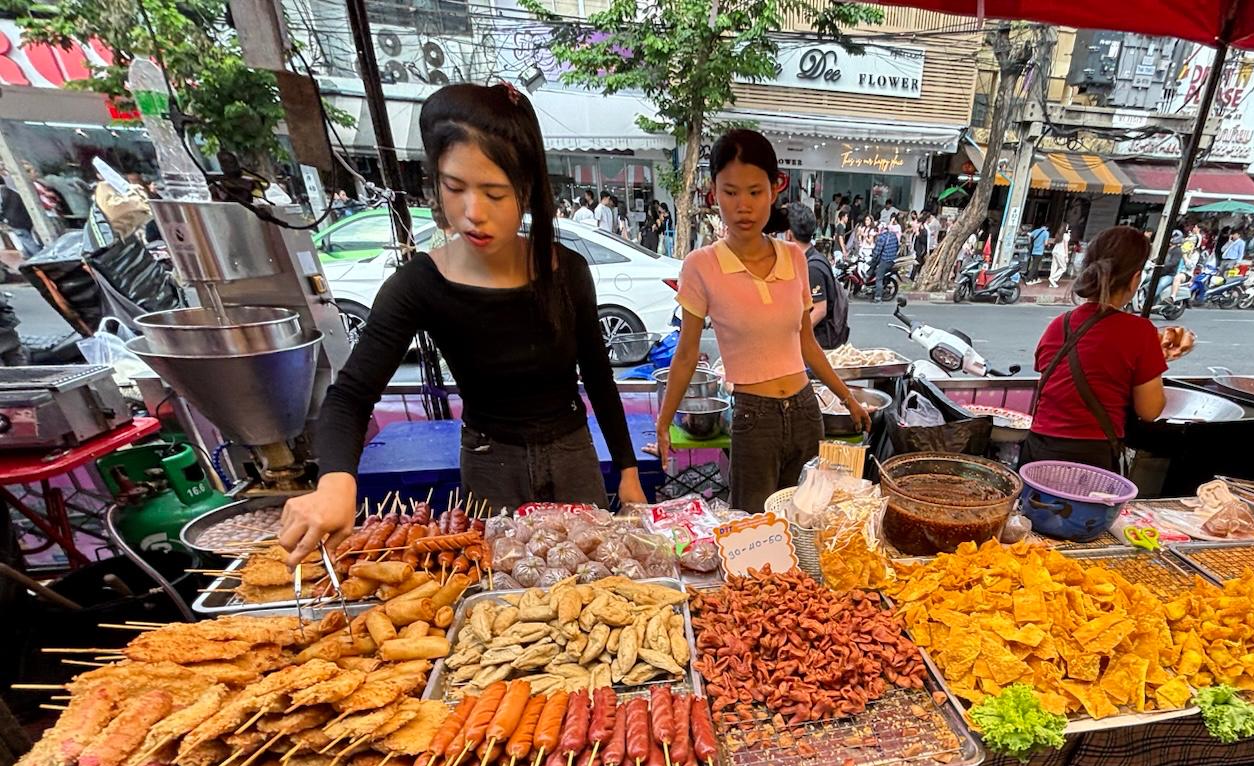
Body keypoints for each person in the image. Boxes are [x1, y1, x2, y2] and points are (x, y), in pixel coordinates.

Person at [279, 83, 644, 563]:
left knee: (595, 587)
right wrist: (335, 482)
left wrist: (628, 471)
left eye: (494, 193)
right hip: (491, 465)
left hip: (573, 457)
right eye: (455, 188)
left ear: (526, 190)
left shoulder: (568, 270)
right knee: (500, 592)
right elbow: (350, 395)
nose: (473, 213)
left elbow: (597, 375)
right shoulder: (418, 284)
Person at [657, 129, 867, 512]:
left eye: (755, 192)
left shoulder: (795, 257)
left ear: (774, 189)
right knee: (753, 526)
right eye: (730, 192)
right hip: (753, 418)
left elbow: (807, 344)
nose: (743, 206)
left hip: (806, 412)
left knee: (807, 519)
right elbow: (685, 355)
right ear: (713, 193)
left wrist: (848, 399)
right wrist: (663, 422)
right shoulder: (701, 266)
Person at [1024, 227, 1193, 473]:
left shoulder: (1059, 324)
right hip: (1090, 461)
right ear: (1136, 278)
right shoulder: (1140, 332)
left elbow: (1057, 387)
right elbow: (1150, 410)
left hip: (1038, 452)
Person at [787, 202, 848, 350]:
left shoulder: (813, 267)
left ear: (789, 234)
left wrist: (793, 335)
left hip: (819, 340)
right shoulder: (809, 258)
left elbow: (820, 310)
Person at [0, 175, 39, 257]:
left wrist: (3, 220)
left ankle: (38, 256)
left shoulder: (1, 195)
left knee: (27, 240)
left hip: (13, 221)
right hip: (25, 218)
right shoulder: (14, 191)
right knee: (27, 239)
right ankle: (28, 256)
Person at [869, 215, 900, 302]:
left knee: (879, 278)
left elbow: (877, 252)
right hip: (892, 260)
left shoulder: (881, 238)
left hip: (884, 261)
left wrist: (873, 259)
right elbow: (897, 247)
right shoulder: (893, 235)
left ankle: (878, 297)